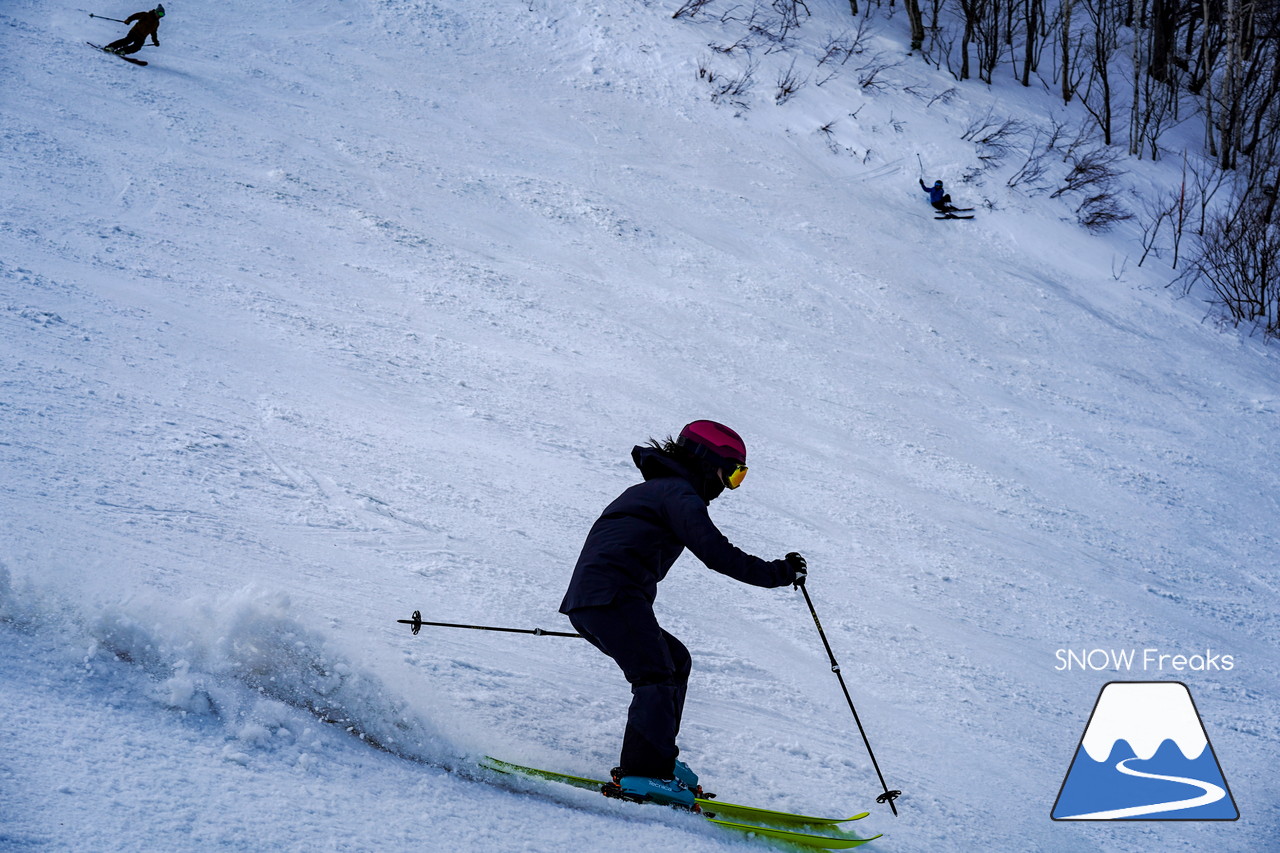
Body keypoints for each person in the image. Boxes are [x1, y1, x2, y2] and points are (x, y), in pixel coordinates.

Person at [559, 420, 807, 808]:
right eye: (734, 473)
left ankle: (659, 761)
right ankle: (645, 775)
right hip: (611, 598)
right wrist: (780, 572)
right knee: (656, 675)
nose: (731, 485)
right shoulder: (677, 493)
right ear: (710, 462)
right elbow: (717, 553)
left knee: (674, 661)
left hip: (604, 599)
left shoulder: (661, 491)